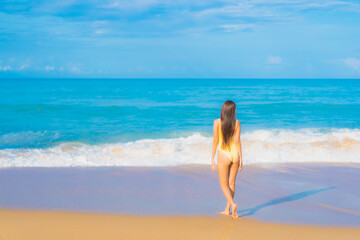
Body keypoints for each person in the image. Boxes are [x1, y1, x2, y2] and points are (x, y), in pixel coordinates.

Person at [211, 100, 243, 219]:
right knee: (231, 183)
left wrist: (212, 158)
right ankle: (227, 209)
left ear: (223, 110)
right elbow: (238, 141)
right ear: (233, 111)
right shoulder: (237, 122)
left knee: (223, 184)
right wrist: (241, 159)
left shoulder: (217, 122)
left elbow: (215, 141)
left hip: (223, 153)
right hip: (235, 154)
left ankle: (233, 205)